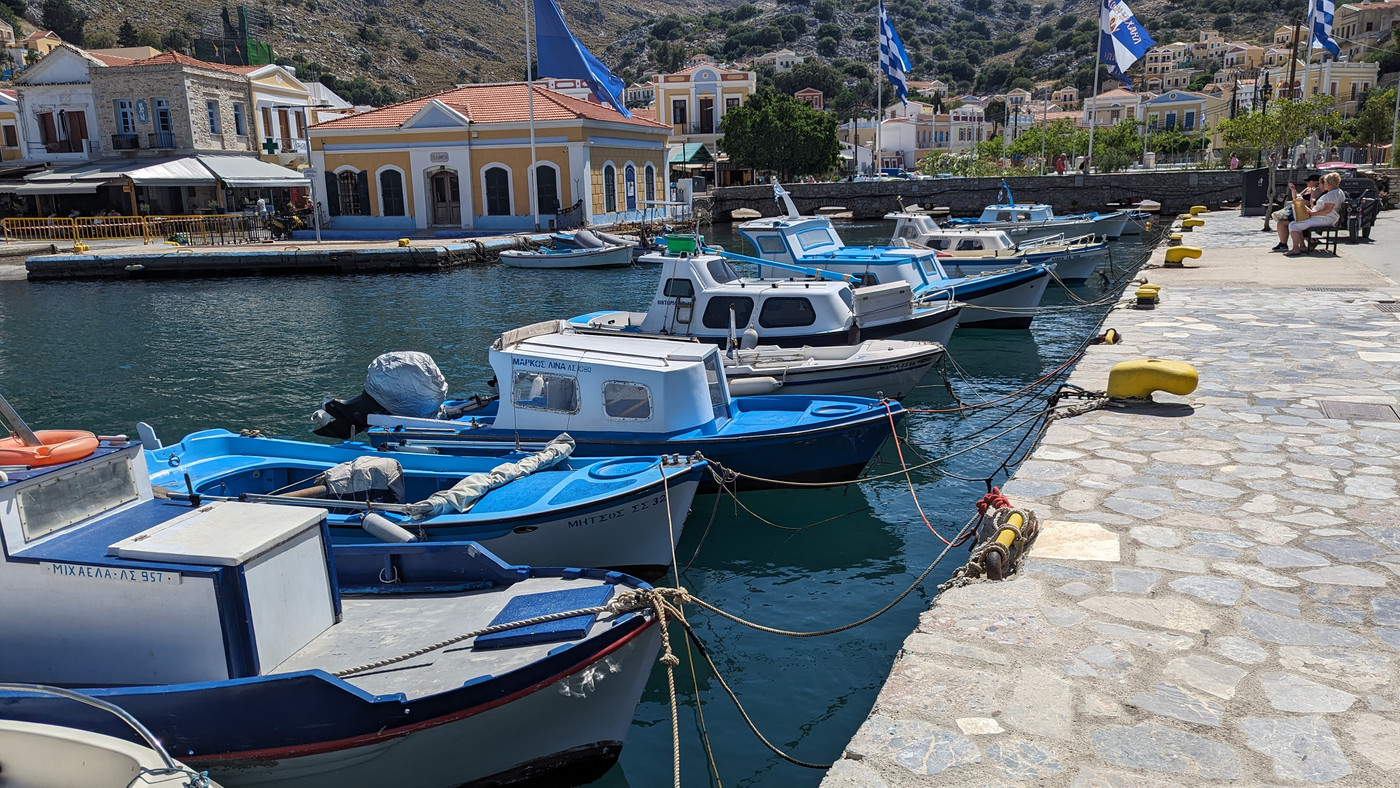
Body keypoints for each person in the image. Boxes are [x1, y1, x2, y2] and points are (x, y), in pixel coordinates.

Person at [1286, 171, 1345, 256]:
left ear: (1328, 183)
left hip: (1324, 219)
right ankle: (1301, 246)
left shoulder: (1331, 195)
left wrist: (1313, 213)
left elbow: (1327, 210)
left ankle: (1296, 248)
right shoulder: (1338, 192)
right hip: (1325, 217)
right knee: (1296, 222)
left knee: (1293, 225)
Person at [1271, 173, 1322, 252]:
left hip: (1306, 212)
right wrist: (1293, 190)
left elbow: (1313, 202)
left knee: (1292, 223)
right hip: (1299, 210)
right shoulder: (1308, 188)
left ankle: (1303, 244)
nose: (1307, 182)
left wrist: (1312, 195)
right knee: (1281, 222)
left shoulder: (1317, 190)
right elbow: (1296, 198)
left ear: (1316, 182)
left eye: (1309, 181)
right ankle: (1283, 244)